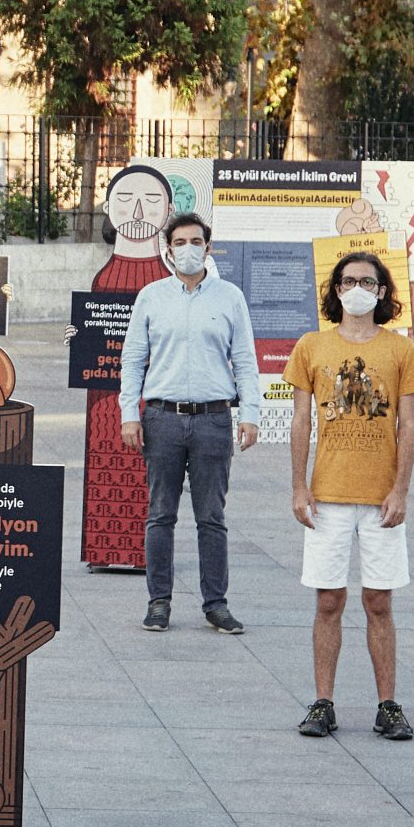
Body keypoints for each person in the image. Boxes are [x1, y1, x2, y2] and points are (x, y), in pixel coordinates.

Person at [288, 251, 414, 742]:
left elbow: (408, 425)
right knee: (328, 601)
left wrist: (401, 490)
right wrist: (299, 485)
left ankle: (388, 705)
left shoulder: (400, 351)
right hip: (327, 495)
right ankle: (323, 701)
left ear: (384, 291)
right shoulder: (311, 346)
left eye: (367, 281)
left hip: (380, 497)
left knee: (379, 602)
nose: (358, 288)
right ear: (336, 290)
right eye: (348, 281)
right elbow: (302, 421)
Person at [119, 210, 262, 634]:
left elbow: (245, 361)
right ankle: (158, 601)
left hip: (212, 419)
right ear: (168, 250)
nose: (187, 249)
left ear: (208, 246)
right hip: (162, 418)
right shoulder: (151, 297)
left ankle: (215, 603)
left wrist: (250, 414)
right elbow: (132, 360)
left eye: (195, 242)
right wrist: (130, 414)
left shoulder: (229, 297)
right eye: (179, 243)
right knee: (160, 513)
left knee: (211, 517)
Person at [74, 164, 177, 566]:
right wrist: (79, 335)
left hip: (153, 388)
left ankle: (141, 550)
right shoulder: (104, 275)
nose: (137, 212)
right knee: (104, 453)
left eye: (150, 202)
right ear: (108, 208)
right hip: (103, 388)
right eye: (125, 200)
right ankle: (102, 547)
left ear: (167, 210)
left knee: (146, 463)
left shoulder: (165, 276)